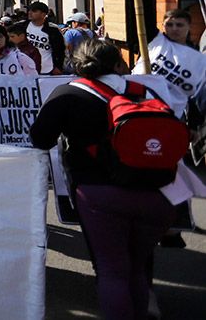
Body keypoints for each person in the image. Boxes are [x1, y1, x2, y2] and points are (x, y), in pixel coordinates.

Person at [30, 40, 179, 320]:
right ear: (117, 63)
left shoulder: (66, 94)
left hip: (99, 194)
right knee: (138, 267)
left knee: (112, 271)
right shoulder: (144, 91)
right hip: (157, 193)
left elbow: (40, 138)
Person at [25, 1, 65, 74]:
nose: (30, 13)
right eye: (29, 10)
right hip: (24, 69)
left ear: (43, 14)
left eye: (34, 11)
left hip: (47, 70)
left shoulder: (53, 30)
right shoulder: (21, 27)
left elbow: (60, 50)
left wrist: (58, 67)